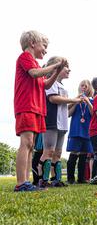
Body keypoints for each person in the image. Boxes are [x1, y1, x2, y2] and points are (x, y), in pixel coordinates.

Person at [13, 30, 66, 192]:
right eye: (44, 46)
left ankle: (26, 182)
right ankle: (21, 182)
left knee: (31, 146)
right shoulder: (25, 58)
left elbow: (45, 84)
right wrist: (55, 65)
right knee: (26, 143)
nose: (45, 50)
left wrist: (56, 71)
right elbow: (35, 74)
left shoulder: (36, 63)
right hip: (26, 105)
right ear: (32, 43)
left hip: (37, 108)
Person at [38, 56, 81, 188]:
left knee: (58, 152)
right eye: (66, 67)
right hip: (52, 121)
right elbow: (53, 99)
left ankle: (56, 179)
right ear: (56, 67)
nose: (69, 69)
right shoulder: (50, 83)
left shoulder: (62, 86)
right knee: (49, 151)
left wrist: (74, 102)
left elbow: (63, 108)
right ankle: (42, 179)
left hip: (62, 123)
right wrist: (73, 100)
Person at [66, 79, 94, 184]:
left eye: (86, 86)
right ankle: (70, 178)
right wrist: (76, 102)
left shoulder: (92, 101)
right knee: (74, 153)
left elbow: (93, 114)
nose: (84, 87)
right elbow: (68, 114)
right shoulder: (75, 100)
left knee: (84, 154)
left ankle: (81, 178)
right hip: (76, 130)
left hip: (87, 131)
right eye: (82, 85)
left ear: (90, 88)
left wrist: (87, 100)